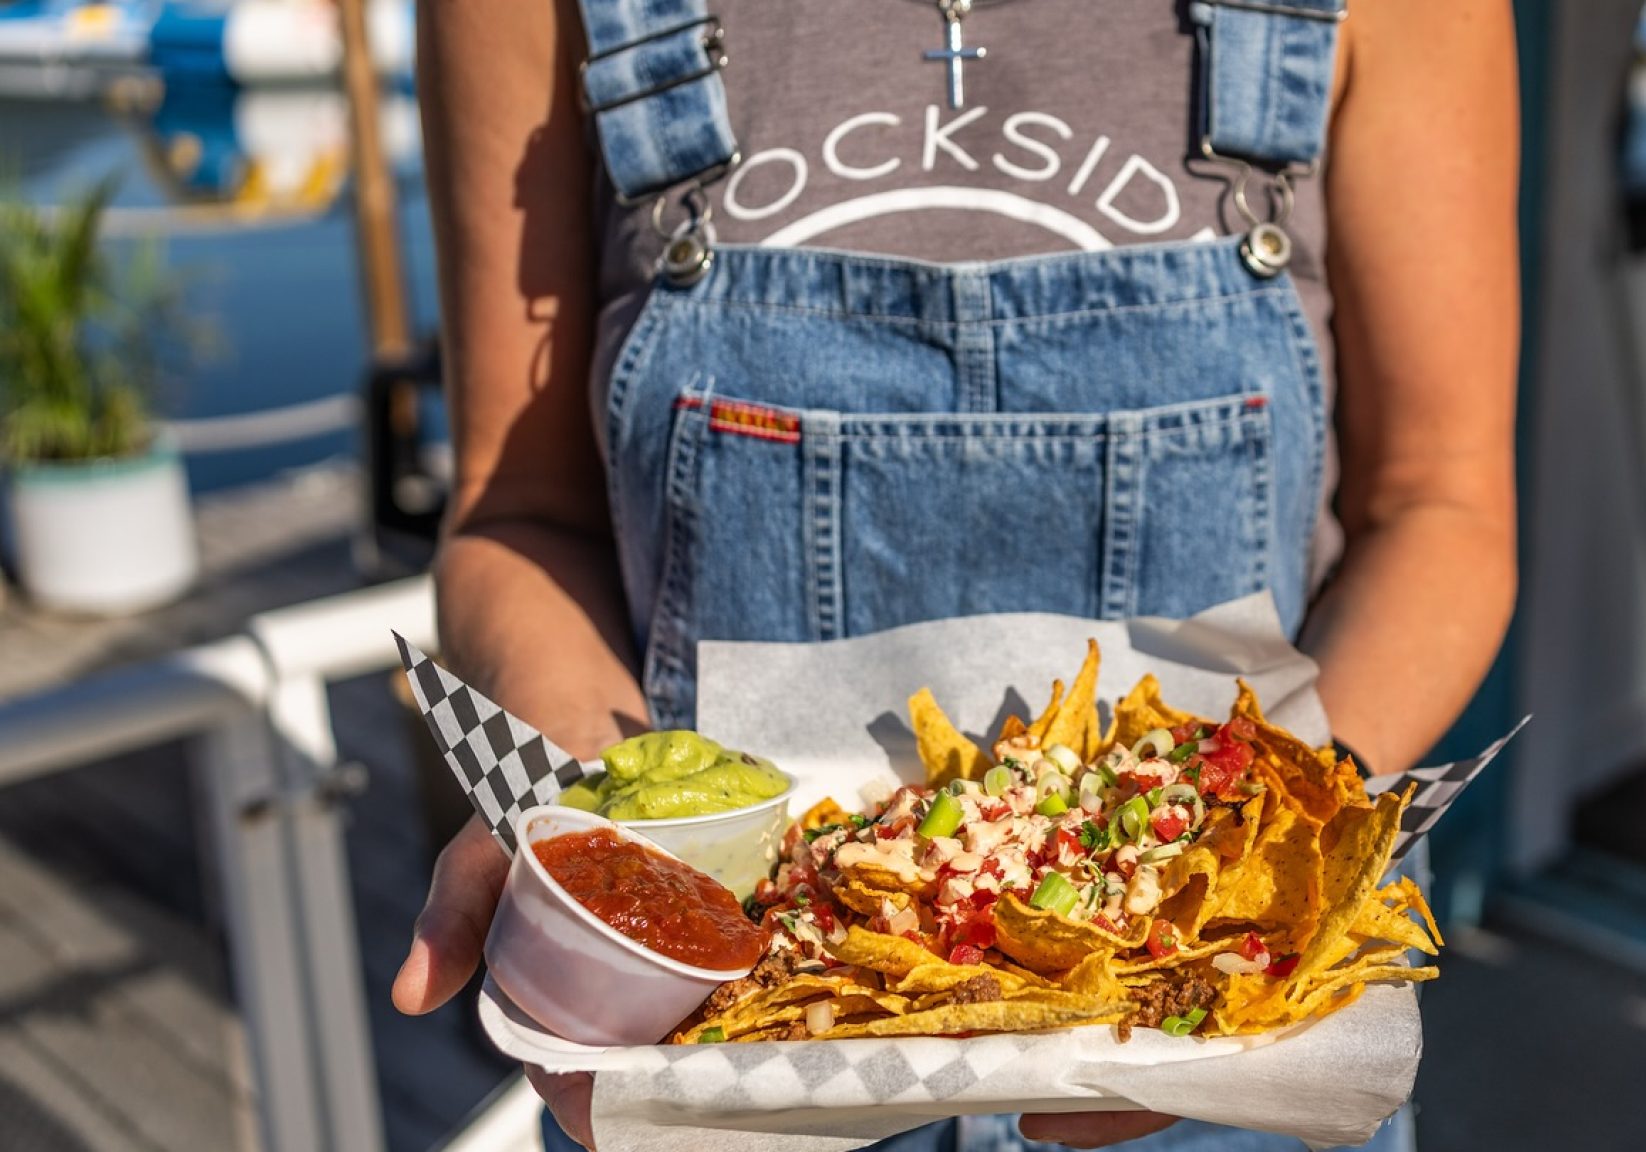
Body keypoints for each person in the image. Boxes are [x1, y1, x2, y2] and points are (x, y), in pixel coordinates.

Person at [391, 0, 1518, 1149]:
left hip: (1234, 1052)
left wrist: (1277, 875)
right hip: (727, 1048)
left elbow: (1438, 505)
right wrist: (593, 840)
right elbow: (518, 510)